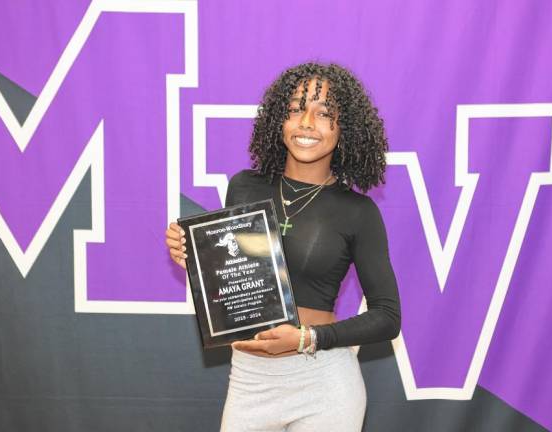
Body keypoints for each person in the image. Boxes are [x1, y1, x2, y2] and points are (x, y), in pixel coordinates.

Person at [165, 62, 401, 431]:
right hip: (250, 379)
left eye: (324, 114)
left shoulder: (358, 212)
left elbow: (388, 317)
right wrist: (194, 254)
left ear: (345, 130)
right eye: (295, 109)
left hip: (323, 381)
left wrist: (308, 338)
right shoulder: (244, 187)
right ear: (279, 119)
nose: (307, 122)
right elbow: (237, 279)